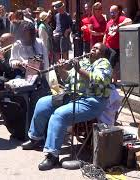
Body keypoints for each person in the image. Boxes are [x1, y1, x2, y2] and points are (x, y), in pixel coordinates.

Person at [21, 42, 112, 171]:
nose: (93, 49)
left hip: (92, 101)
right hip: (72, 96)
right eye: (93, 47)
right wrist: (61, 70)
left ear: (102, 54)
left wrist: (79, 69)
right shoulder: (85, 61)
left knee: (59, 115)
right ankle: (36, 138)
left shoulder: (103, 63)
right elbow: (68, 79)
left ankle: (52, 155)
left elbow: (100, 80)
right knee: (42, 103)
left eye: (97, 49)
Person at [103, 5, 132, 83]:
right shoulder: (109, 22)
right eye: (111, 12)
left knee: (112, 64)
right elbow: (106, 34)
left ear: (118, 12)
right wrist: (103, 46)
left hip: (118, 46)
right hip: (108, 45)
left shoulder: (121, 19)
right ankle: (112, 81)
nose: (112, 14)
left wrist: (119, 26)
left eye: (114, 12)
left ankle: (112, 81)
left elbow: (130, 21)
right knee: (111, 64)